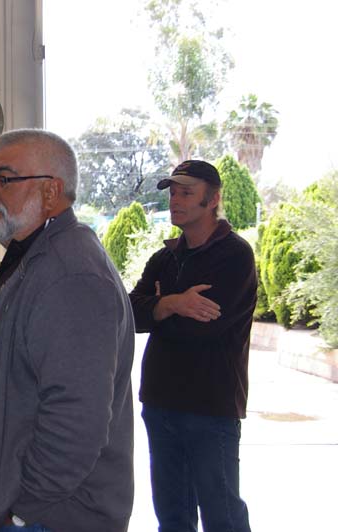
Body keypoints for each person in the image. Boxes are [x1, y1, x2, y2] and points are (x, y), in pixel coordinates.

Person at [0, 129, 135, 532]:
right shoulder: (36, 259)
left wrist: (22, 509)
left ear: (51, 192)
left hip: (50, 516)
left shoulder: (70, 274)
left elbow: (76, 418)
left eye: (5, 179)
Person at [129, 160, 256, 532]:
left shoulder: (235, 256)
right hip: (160, 403)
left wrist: (157, 308)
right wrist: (172, 303)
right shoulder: (164, 257)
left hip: (210, 407)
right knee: (172, 517)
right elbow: (130, 315)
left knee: (223, 517)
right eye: (173, 193)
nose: (175, 201)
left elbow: (203, 330)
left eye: (186, 193)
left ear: (212, 199)